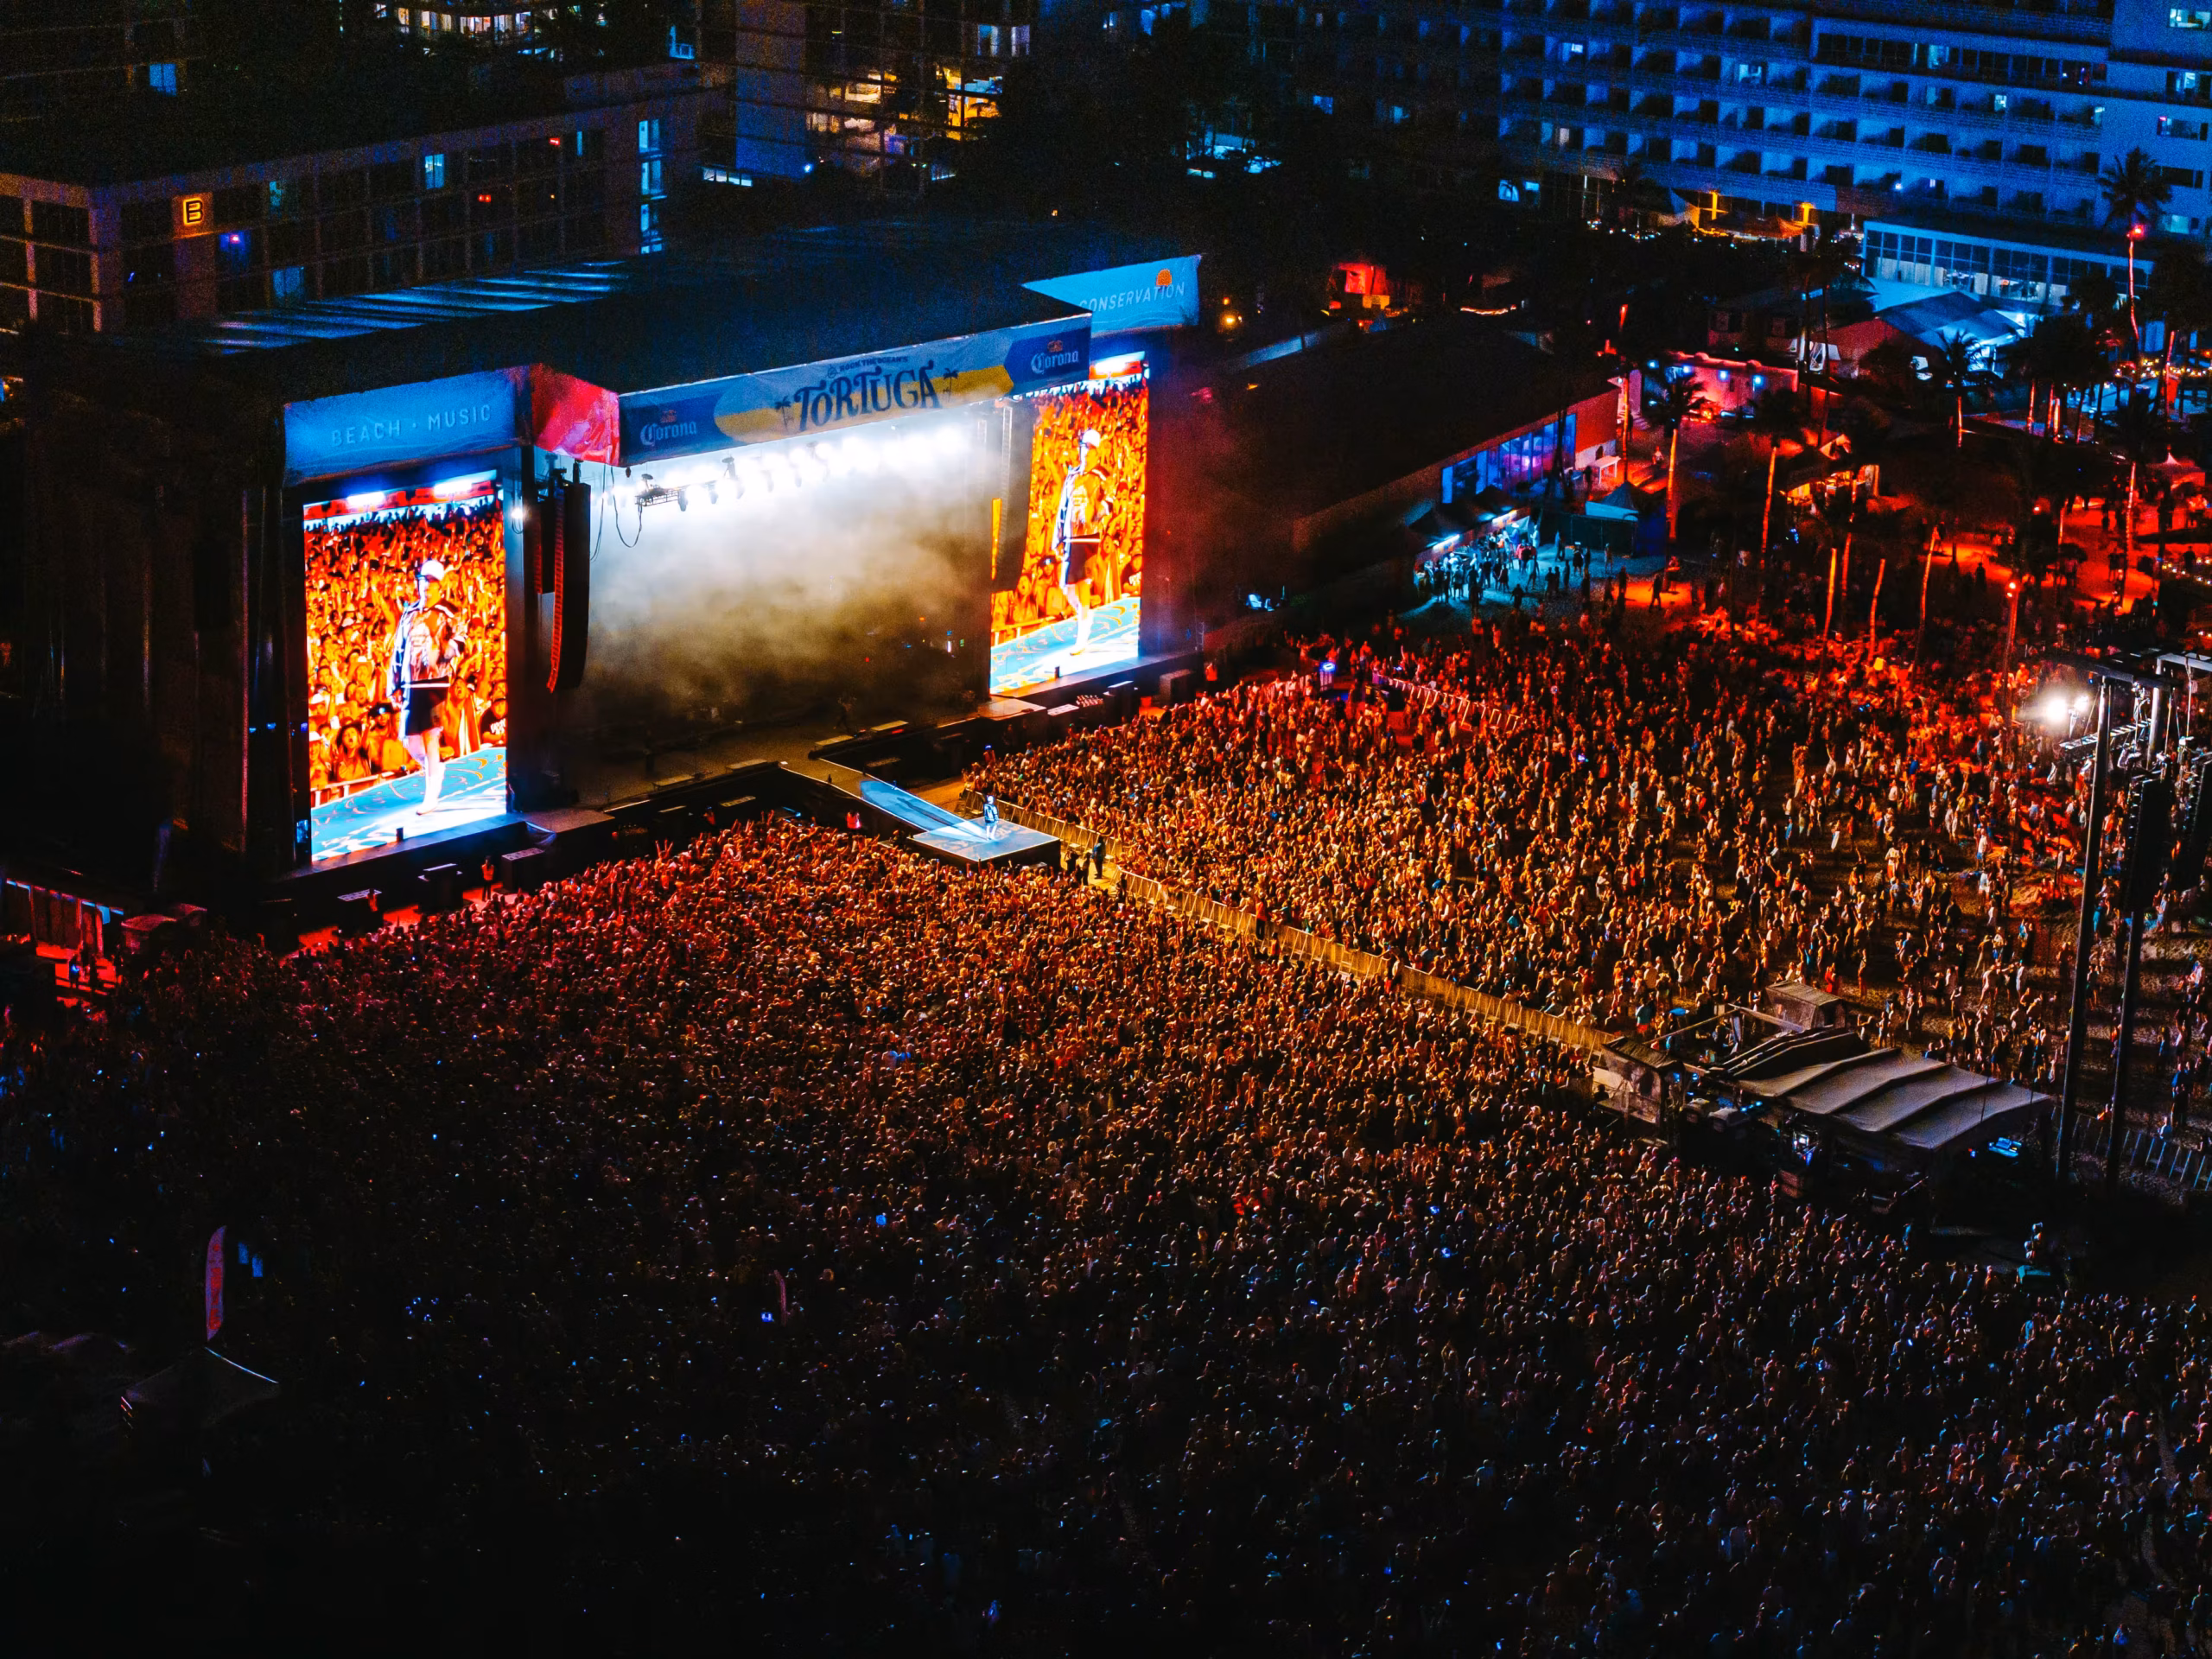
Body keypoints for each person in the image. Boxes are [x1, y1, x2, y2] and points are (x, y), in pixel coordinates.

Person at [389, 556, 466, 817]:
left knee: (431, 736)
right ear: (419, 583)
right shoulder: (408, 613)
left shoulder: (449, 611)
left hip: (436, 683)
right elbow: (397, 649)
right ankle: (435, 769)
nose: (428, 587)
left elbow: (462, 640)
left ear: (440, 586)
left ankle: (431, 794)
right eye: (425, 581)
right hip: (411, 683)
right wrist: (394, 684)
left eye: (433, 583)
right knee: (411, 743)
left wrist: (442, 653)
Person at [1053, 429, 1110, 658]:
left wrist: (1094, 513)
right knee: (1066, 587)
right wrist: (1057, 536)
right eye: (1083, 446)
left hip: (1088, 537)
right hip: (1070, 535)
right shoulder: (1072, 475)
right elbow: (1062, 506)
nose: (1086, 451)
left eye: (1090, 448)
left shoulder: (1102, 475)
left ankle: (1082, 636)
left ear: (1096, 452)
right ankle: (1086, 615)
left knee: (1082, 584)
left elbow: (1110, 502)